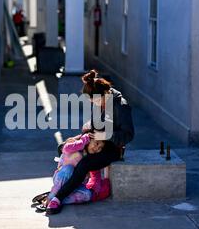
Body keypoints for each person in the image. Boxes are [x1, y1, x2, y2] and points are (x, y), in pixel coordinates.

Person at [46, 70, 135, 215]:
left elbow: (128, 135)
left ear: (106, 92)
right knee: (63, 147)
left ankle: (58, 197)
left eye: (97, 101)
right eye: (93, 102)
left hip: (112, 148)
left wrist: (105, 135)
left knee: (84, 164)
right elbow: (96, 124)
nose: (96, 104)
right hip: (94, 139)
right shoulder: (101, 100)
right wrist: (81, 135)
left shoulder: (121, 106)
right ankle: (67, 184)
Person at [34, 132, 111, 213]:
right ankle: (51, 198)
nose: (96, 148)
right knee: (69, 169)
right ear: (89, 139)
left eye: (100, 148)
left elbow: (96, 177)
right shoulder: (75, 146)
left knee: (87, 195)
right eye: (97, 143)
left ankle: (54, 199)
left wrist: (95, 191)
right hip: (61, 178)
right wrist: (84, 139)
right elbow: (66, 148)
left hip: (74, 187)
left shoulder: (92, 160)